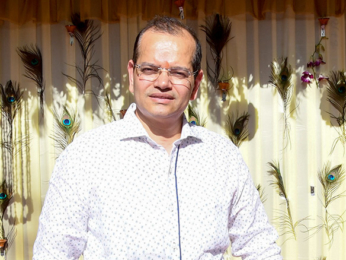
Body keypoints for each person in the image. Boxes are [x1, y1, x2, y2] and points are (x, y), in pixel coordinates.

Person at [33, 16, 282, 260]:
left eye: (178, 73)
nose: (163, 82)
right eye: (150, 69)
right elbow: (53, 253)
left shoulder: (222, 156)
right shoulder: (86, 156)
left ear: (196, 84)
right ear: (132, 75)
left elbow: (259, 246)